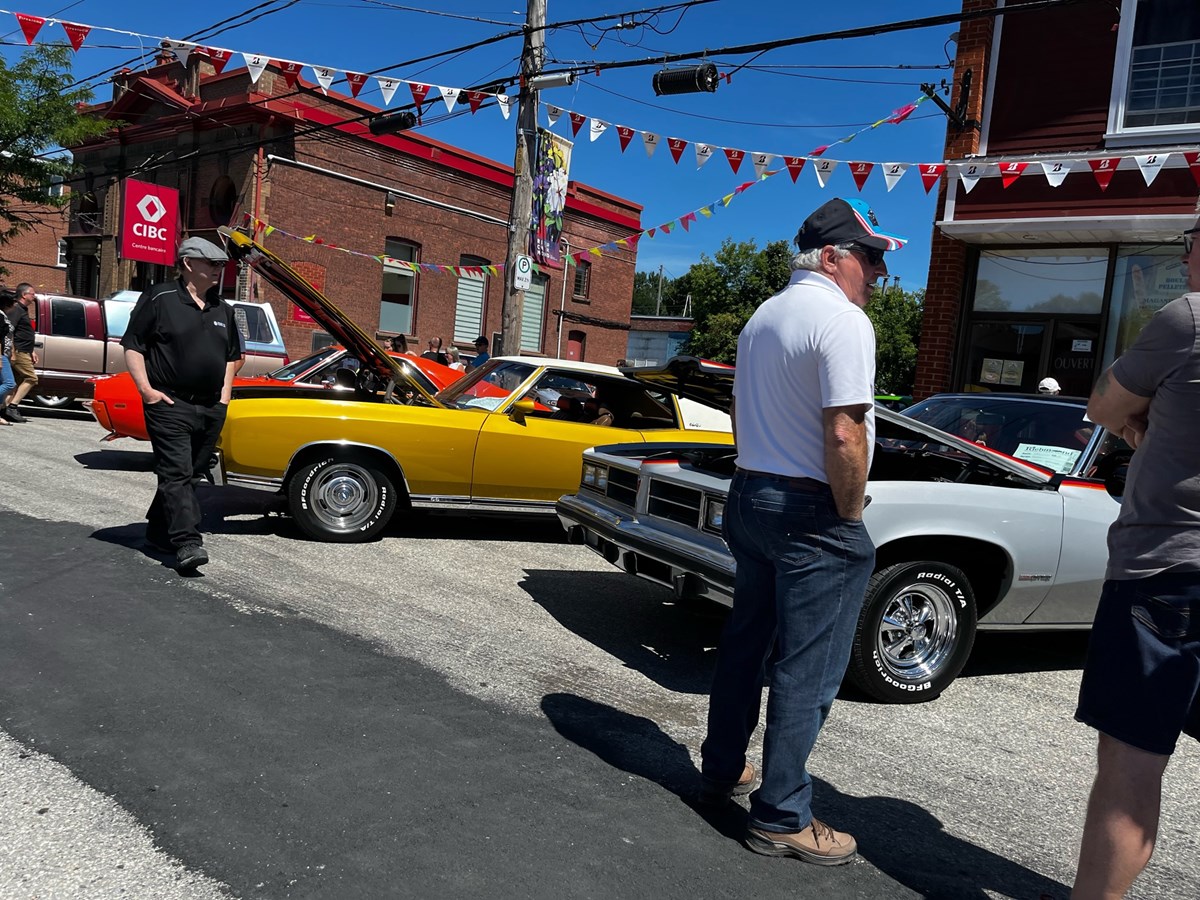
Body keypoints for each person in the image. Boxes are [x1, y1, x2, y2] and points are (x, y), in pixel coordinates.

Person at [698, 197, 902, 867]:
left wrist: (758, 475)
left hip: (752, 491)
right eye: (871, 258)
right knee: (807, 668)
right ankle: (783, 814)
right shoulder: (842, 321)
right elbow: (844, 429)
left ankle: (724, 766)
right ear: (836, 257)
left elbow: (739, 409)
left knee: (746, 640)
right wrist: (848, 517)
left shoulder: (763, 316)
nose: (879, 272)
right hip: (810, 509)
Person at [1071, 212, 1200, 898]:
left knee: (1129, 766)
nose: (1184, 262)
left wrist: (1138, 426)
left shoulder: (1188, 319)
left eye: (1190, 245)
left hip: (1164, 575)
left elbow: (1100, 404)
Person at [122, 236, 243, 571]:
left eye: (222, 264)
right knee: (176, 472)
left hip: (210, 407)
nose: (220, 270)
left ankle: (159, 532)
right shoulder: (159, 298)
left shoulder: (224, 309)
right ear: (189, 264)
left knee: (192, 475)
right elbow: (133, 345)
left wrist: (223, 398)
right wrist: (147, 391)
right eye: (212, 264)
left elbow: (233, 358)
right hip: (169, 403)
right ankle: (188, 542)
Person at [3, 282, 38, 423]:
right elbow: (9, 330)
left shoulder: (22, 310)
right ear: (24, 295)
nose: (34, 297)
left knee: (15, 382)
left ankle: (4, 409)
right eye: (32, 294)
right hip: (18, 351)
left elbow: (23, 332)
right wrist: (12, 351)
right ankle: (12, 406)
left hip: (24, 350)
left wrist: (32, 351)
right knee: (31, 378)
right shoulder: (16, 309)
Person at [0, 290, 16, 426]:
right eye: (13, 302)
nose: (15, 305)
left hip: (4, 354)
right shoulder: (0, 316)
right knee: (9, 383)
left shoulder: (3, 315)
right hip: (0, 355)